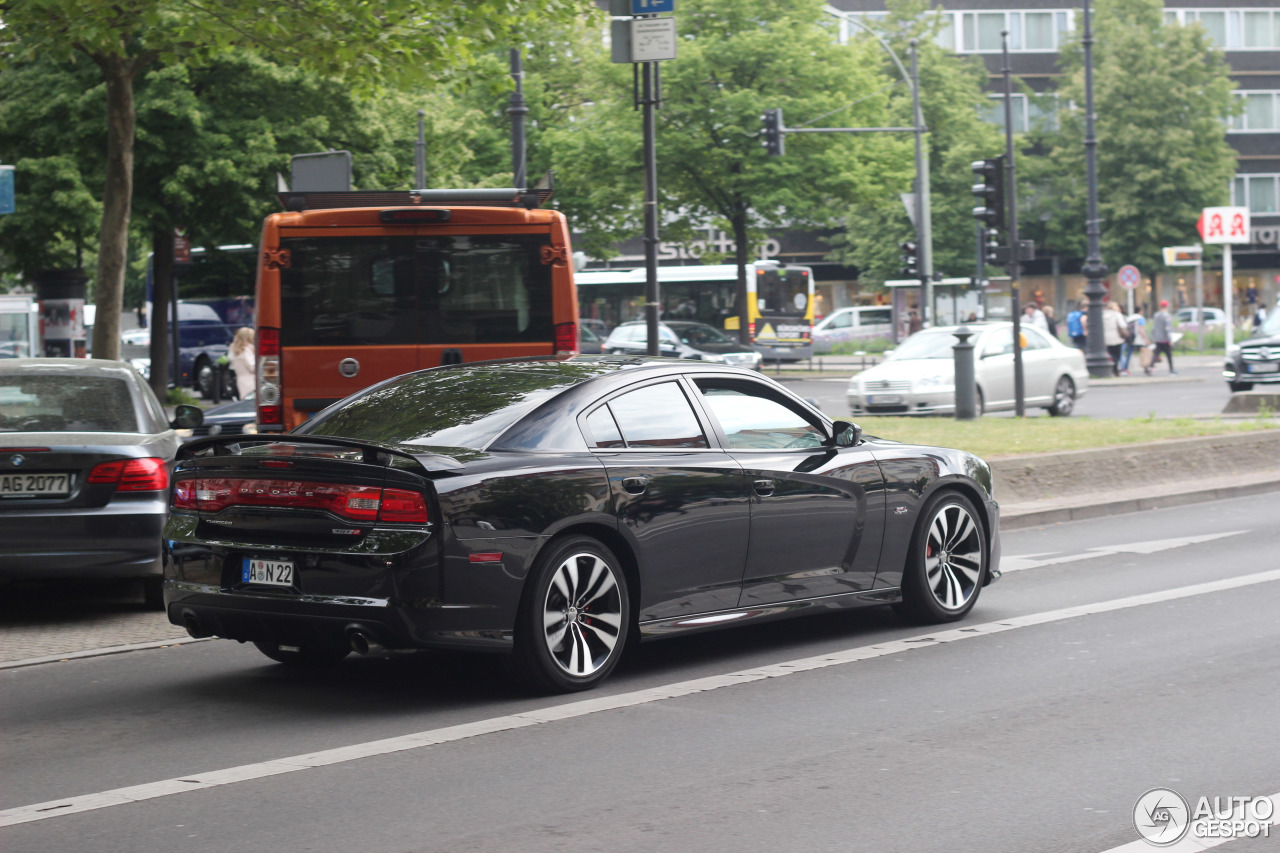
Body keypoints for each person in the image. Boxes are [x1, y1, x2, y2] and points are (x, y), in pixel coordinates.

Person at [1148, 300, 1176, 376]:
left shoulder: (1156, 315)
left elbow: (1154, 327)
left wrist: (1154, 337)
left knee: (1156, 354)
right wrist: (1170, 339)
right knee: (1169, 355)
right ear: (1167, 306)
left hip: (1157, 338)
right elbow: (1168, 328)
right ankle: (1171, 370)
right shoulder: (1166, 316)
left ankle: (1150, 367)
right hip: (1165, 339)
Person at [1118, 309, 1149, 376]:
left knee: (1127, 354)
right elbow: (1141, 329)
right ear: (1140, 311)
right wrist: (1146, 339)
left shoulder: (1130, 318)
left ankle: (1124, 368)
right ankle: (1147, 367)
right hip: (1138, 339)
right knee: (1144, 352)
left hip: (1129, 338)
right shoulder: (1141, 318)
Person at [228, 326, 256, 400]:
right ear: (248, 337)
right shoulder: (246, 350)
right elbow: (252, 367)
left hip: (240, 380)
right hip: (250, 381)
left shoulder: (235, 349)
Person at [1103, 301, 1128, 376]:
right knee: (1117, 354)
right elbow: (1123, 325)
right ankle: (1115, 369)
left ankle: (1112, 368)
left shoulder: (1103, 315)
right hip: (1117, 337)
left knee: (1110, 354)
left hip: (1106, 337)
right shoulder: (1117, 315)